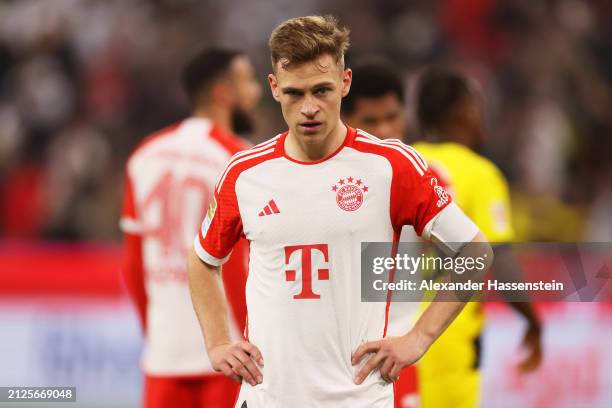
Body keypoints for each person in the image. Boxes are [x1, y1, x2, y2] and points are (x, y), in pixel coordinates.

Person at [188, 16, 493, 408]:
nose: (309, 108)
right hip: (267, 398)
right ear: (274, 88)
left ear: (345, 82)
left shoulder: (391, 165)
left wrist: (418, 339)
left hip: (359, 399)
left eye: (322, 90)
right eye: (295, 94)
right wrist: (217, 344)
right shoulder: (245, 173)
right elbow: (202, 261)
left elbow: (475, 252)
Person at [343, 61, 542, 408]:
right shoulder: (479, 173)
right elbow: (501, 263)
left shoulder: (400, 165)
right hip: (446, 337)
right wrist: (533, 322)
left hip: (385, 340)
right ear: (465, 111)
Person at [120, 47, 262, 408]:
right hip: (230, 355)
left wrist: (154, 333)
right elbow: (234, 263)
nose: (257, 92)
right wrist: (253, 336)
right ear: (223, 93)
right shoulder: (238, 159)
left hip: (164, 354)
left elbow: (134, 263)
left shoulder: (145, 154)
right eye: (248, 82)